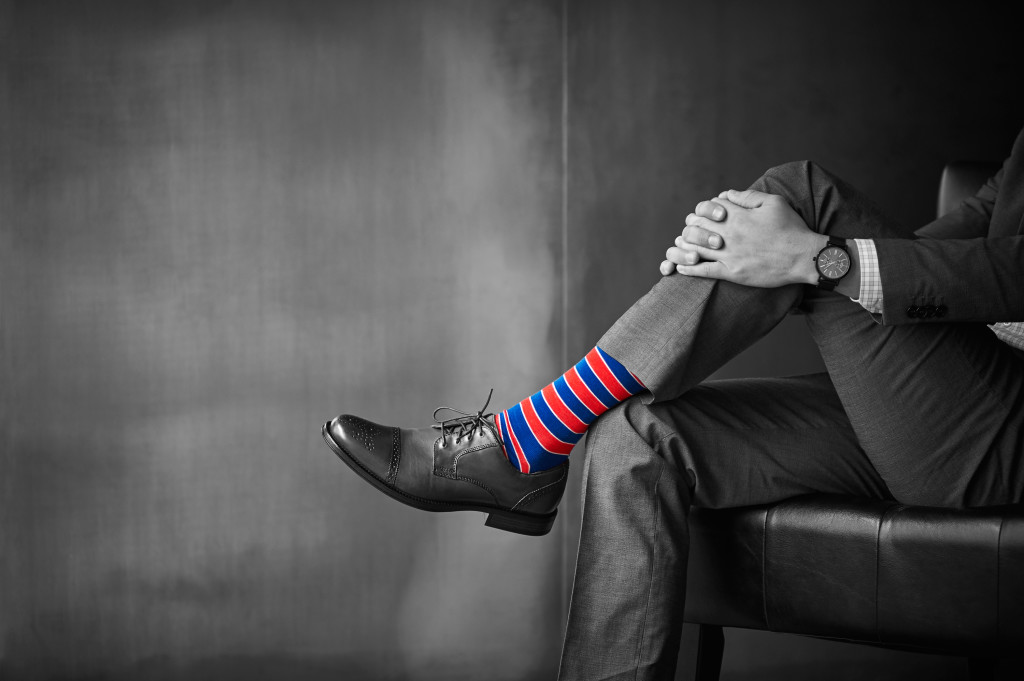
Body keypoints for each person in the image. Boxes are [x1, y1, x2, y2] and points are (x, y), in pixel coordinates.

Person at [322, 126, 1024, 680]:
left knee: (801, 196)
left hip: (1002, 435)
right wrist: (752, 263)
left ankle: (525, 443)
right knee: (636, 427)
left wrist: (819, 260)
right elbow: (975, 227)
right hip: (941, 401)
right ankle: (529, 451)